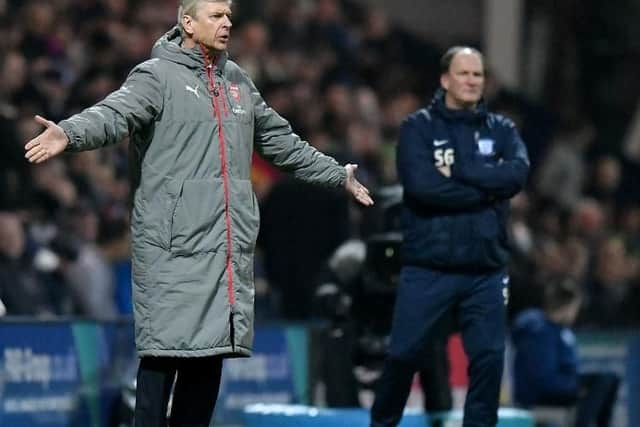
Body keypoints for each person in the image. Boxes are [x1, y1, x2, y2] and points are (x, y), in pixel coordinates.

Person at [24, 1, 373, 426]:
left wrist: (337, 175)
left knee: (207, 361)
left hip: (223, 248)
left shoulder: (238, 83)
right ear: (187, 23)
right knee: (161, 360)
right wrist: (70, 132)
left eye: (229, 15)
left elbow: (283, 142)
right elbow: (114, 114)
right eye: (216, 15)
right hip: (172, 247)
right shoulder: (156, 76)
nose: (227, 23)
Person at [370, 46, 530, 427]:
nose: (472, 81)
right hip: (428, 267)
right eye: (464, 73)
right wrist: (487, 189)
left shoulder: (503, 130)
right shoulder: (417, 128)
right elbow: (423, 188)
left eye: (478, 74)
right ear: (445, 79)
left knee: (489, 360)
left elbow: (517, 175)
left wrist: (461, 174)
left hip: (485, 271)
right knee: (402, 356)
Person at [512, 278, 620, 427]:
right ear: (567, 306)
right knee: (602, 381)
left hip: (560, 383)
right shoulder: (538, 331)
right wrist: (574, 387)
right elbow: (542, 377)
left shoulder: (559, 330)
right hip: (539, 392)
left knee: (610, 379)